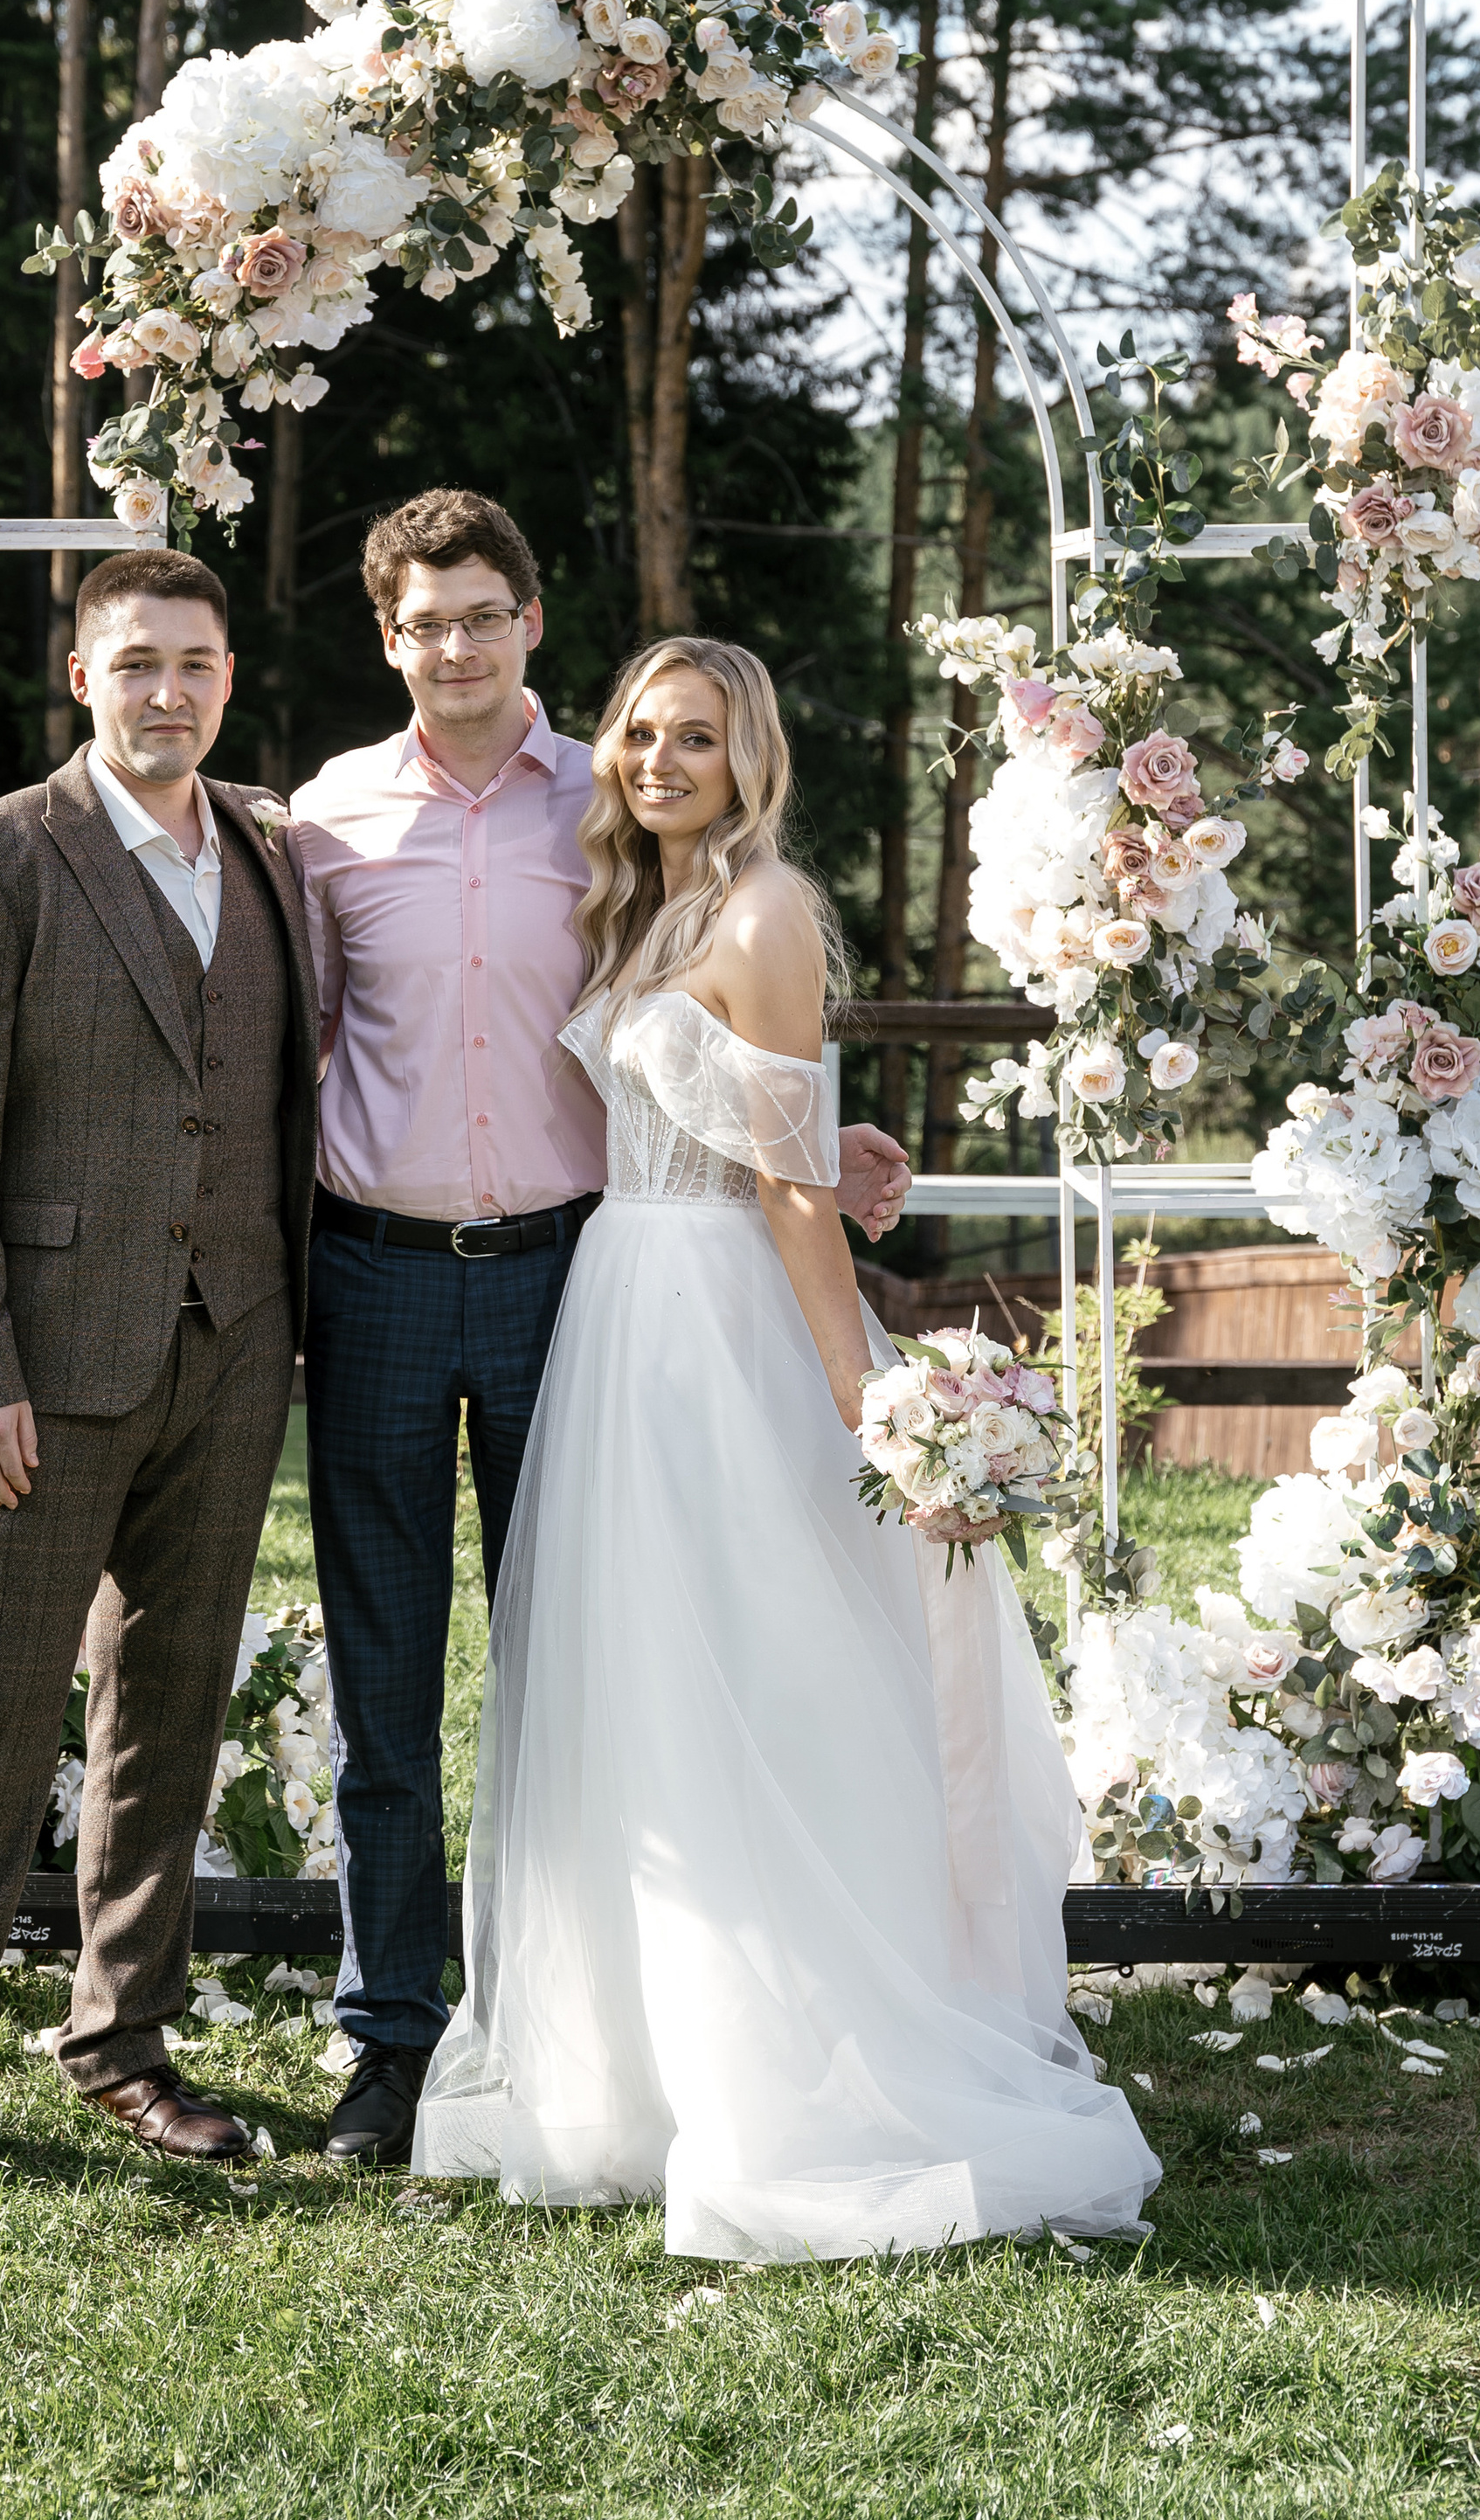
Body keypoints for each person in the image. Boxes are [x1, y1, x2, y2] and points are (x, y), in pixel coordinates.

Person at [411, 635, 1160, 2258]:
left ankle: (796, 2063)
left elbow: (790, 1188)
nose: (660, 760)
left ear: (751, 759)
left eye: (697, 738)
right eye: (637, 733)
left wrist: (860, 1397)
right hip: (621, 1304)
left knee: (766, 1665)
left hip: (721, 1325)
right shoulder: (646, 907)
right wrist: (834, 1140)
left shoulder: (762, 914)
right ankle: (641, 2068)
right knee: (641, 1686)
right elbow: (754, 1122)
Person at [292, 495, 911, 2170]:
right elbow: (283, 1048)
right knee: (388, 1675)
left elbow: (729, 1028)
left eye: (485, 613)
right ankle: (393, 2039)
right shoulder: (327, 820)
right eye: (427, 621)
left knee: (596, 1659)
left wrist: (815, 1143)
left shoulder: (620, 797)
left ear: (533, 622)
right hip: (380, 1274)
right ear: (389, 635)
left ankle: (599, 2020)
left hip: (584, 1276)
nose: (458, 645)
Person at [0, 550, 319, 2226]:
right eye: (135, 665)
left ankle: (122, 2040)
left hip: (234, 1346)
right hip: (43, 1371)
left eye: (194, 663)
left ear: (230, 678)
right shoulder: (0, 856)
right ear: (82, 678)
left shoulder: (266, 849)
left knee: (167, 1713)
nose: (165, 691)